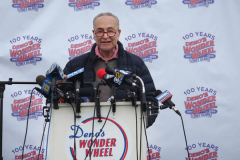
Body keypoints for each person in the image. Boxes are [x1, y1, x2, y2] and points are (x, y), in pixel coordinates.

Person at [61, 12, 158, 127]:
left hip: (125, 134)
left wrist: (138, 126)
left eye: (110, 31)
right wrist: (60, 87)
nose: (105, 36)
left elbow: (150, 99)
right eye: (100, 31)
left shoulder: (135, 63)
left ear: (118, 33)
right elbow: (62, 100)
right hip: (85, 134)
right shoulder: (75, 65)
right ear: (94, 34)